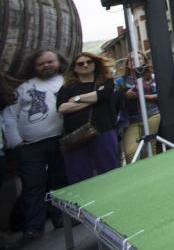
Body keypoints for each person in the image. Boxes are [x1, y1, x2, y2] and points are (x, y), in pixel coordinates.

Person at [2, 51, 67, 244]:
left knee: (60, 182)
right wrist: (16, 143)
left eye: (50, 61)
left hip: (60, 141)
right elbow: (10, 116)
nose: (46, 65)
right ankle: (33, 227)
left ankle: (61, 218)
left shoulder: (66, 82)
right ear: (34, 67)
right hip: (30, 146)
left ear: (58, 62)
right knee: (32, 186)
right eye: (41, 64)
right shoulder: (24, 88)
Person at [56, 52, 120, 184]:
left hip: (104, 132)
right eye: (80, 63)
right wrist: (95, 98)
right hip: (76, 137)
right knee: (79, 176)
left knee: (110, 172)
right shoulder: (67, 88)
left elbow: (105, 94)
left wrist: (77, 99)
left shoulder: (106, 81)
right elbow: (62, 108)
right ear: (74, 67)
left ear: (95, 64)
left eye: (89, 62)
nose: (85, 65)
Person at [120, 52, 160, 164]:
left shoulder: (151, 77)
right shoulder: (121, 81)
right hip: (131, 120)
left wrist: (137, 96)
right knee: (130, 152)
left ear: (145, 62)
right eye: (132, 59)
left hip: (151, 115)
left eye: (139, 58)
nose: (136, 61)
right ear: (128, 64)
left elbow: (157, 95)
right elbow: (118, 96)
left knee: (149, 149)